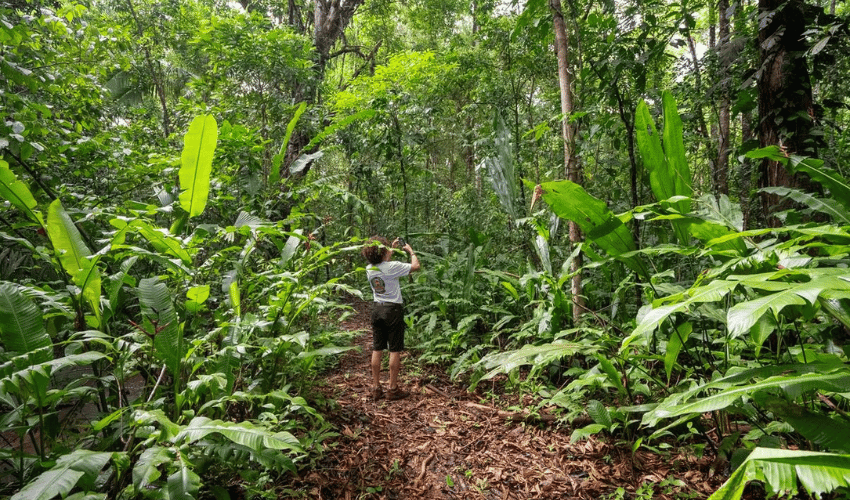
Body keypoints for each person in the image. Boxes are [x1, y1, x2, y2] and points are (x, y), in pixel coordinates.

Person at [361, 236, 420, 401]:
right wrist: (411, 251)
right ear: (383, 251)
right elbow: (416, 266)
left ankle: (376, 387)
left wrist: (390, 249)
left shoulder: (369, 268)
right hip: (393, 309)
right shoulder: (393, 267)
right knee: (394, 349)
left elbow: (383, 263)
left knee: (377, 347)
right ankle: (392, 388)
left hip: (377, 309)